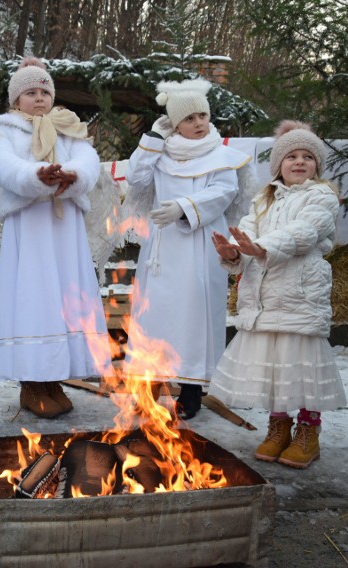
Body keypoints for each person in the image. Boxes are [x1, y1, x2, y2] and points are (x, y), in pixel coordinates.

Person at [208, 120, 346, 469]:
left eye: (307, 157)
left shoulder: (322, 196)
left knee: (300, 366)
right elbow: (248, 235)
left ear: (317, 165)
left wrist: (259, 247)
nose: (299, 162)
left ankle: (307, 432)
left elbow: (305, 232)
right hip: (264, 297)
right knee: (274, 368)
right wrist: (235, 253)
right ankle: (278, 427)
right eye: (291, 156)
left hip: (299, 294)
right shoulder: (263, 199)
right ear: (278, 165)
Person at [0, 57, 111, 418]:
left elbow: (89, 161)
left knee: (64, 298)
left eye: (44, 91)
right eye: (30, 92)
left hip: (64, 229)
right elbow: (1, 165)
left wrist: (70, 176)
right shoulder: (4, 131)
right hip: (31, 227)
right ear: (15, 100)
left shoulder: (69, 129)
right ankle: (31, 383)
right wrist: (40, 175)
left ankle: (53, 378)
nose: (39, 98)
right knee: (34, 298)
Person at [124, 78, 252, 420]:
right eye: (189, 118)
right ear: (174, 123)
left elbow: (222, 193)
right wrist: (152, 140)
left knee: (193, 318)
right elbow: (136, 179)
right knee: (154, 316)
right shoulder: (161, 153)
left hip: (200, 244)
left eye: (202, 116)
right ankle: (148, 385)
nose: (198, 123)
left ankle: (191, 389)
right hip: (162, 251)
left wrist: (183, 207)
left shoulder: (221, 156)